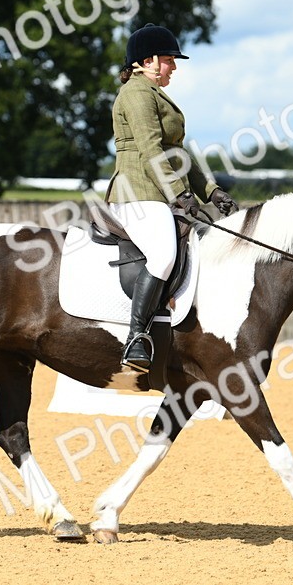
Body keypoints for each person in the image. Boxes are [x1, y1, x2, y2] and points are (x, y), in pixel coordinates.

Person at [106, 23, 238, 372]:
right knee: (163, 254)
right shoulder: (136, 94)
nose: (174, 68)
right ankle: (136, 337)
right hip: (137, 191)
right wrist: (180, 194)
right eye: (168, 60)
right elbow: (151, 149)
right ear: (147, 61)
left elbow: (178, 154)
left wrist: (211, 191)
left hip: (156, 191)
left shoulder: (153, 93)